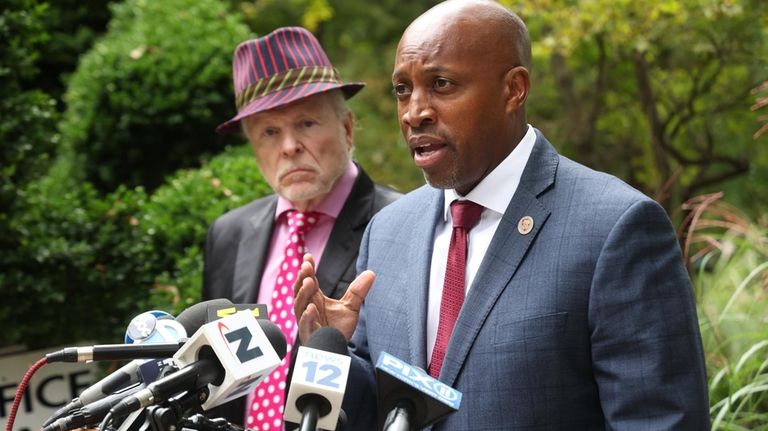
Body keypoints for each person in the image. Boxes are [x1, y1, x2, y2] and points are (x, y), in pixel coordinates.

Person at [293, 1, 710, 429]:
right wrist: (332, 350)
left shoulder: (615, 228)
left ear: (514, 90)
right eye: (403, 89)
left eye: (441, 84)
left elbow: (660, 421)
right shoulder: (388, 231)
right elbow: (379, 410)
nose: (414, 112)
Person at [202, 26, 400, 430]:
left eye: (306, 123)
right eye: (270, 132)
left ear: (346, 128)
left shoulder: (402, 225)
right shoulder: (229, 234)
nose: (288, 146)